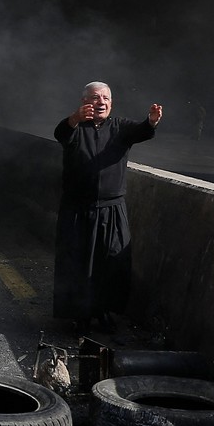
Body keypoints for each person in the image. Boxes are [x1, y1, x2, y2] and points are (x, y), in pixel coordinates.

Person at [54, 81, 163, 334]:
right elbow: (61, 133)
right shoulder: (74, 128)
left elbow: (141, 131)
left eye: (105, 98)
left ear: (111, 104)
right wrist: (73, 118)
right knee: (78, 264)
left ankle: (103, 313)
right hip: (78, 211)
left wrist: (152, 121)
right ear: (84, 102)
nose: (100, 101)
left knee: (112, 264)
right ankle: (79, 316)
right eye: (94, 97)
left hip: (112, 210)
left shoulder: (120, 127)